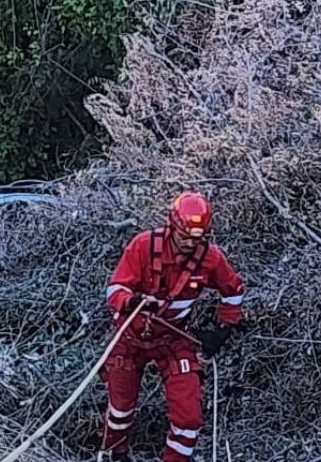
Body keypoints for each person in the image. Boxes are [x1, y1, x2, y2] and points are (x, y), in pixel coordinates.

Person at [101, 191, 245, 462]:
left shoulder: (210, 258)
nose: (190, 243)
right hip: (130, 337)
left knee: (189, 419)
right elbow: (114, 290)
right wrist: (133, 302)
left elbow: (234, 289)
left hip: (173, 340)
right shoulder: (143, 246)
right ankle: (115, 455)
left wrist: (223, 329)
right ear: (172, 227)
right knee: (120, 409)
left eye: (197, 238)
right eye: (185, 236)